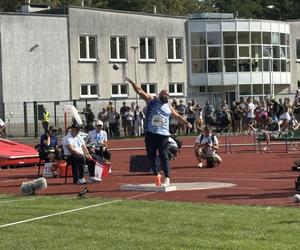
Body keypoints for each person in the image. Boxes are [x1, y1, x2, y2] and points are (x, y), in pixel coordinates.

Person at [126, 77, 192, 187]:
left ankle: (167, 177)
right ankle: (157, 174)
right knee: (151, 156)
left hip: (163, 135)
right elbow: (139, 91)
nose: (167, 97)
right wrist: (132, 82)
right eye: (165, 95)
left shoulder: (169, 107)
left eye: (168, 96)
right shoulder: (152, 100)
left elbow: (178, 116)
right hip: (150, 134)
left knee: (163, 155)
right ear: (161, 94)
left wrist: (186, 123)